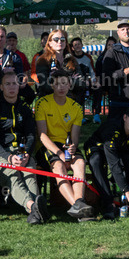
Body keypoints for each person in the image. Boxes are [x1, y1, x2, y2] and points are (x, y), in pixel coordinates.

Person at [0, 70, 46, 225]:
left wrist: (27, 154)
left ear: (19, 86)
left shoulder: (25, 107)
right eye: (7, 84)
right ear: (1, 87)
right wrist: (8, 157)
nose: (11, 87)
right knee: (14, 175)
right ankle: (33, 206)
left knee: (29, 175)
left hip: (22, 151)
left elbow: (32, 134)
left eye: (14, 83)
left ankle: (34, 211)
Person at [34, 69, 93, 220]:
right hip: (47, 146)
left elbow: (74, 138)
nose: (61, 87)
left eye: (64, 83)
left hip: (65, 146)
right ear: (52, 85)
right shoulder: (42, 103)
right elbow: (42, 135)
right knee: (59, 166)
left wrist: (72, 147)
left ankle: (79, 202)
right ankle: (79, 207)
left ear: (70, 85)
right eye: (57, 83)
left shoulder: (76, 108)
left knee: (80, 162)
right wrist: (59, 154)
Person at [86, 103, 129, 219]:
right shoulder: (112, 129)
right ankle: (108, 204)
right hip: (98, 146)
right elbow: (114, 165)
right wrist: (128, 192)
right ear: (125, 118)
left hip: (120, 148)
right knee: (96, 161)